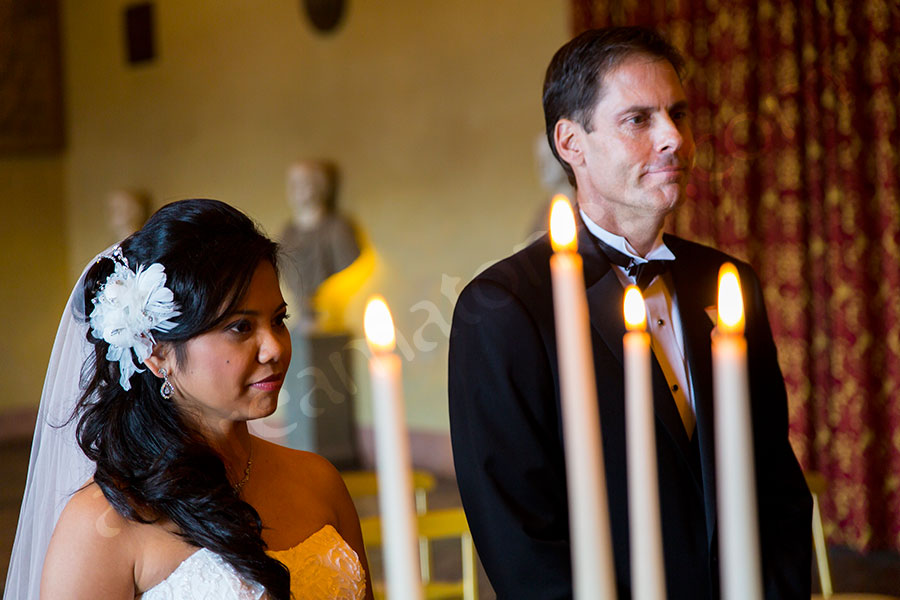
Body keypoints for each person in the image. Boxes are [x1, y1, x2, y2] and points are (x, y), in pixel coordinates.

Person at [448, 27, 812, 599]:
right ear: (571, 143)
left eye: (679, 113)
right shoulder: (500, 308)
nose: (675, 138)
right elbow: (519, 537)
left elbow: (776, 480)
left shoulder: (729, 282)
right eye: (638, 120)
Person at [5, 199, 373, 600]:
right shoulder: (102, 525)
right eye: (240, 326)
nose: (274, 349)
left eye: (278, 320)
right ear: (157, 352)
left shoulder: (320, 481)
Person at [280, 159, 360, 332]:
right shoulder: (287, 233)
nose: (295, 190)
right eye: (292, 184)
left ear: (320, 186)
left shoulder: (337, 229)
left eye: (302, 183)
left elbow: (348, 259)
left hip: (331, 319)